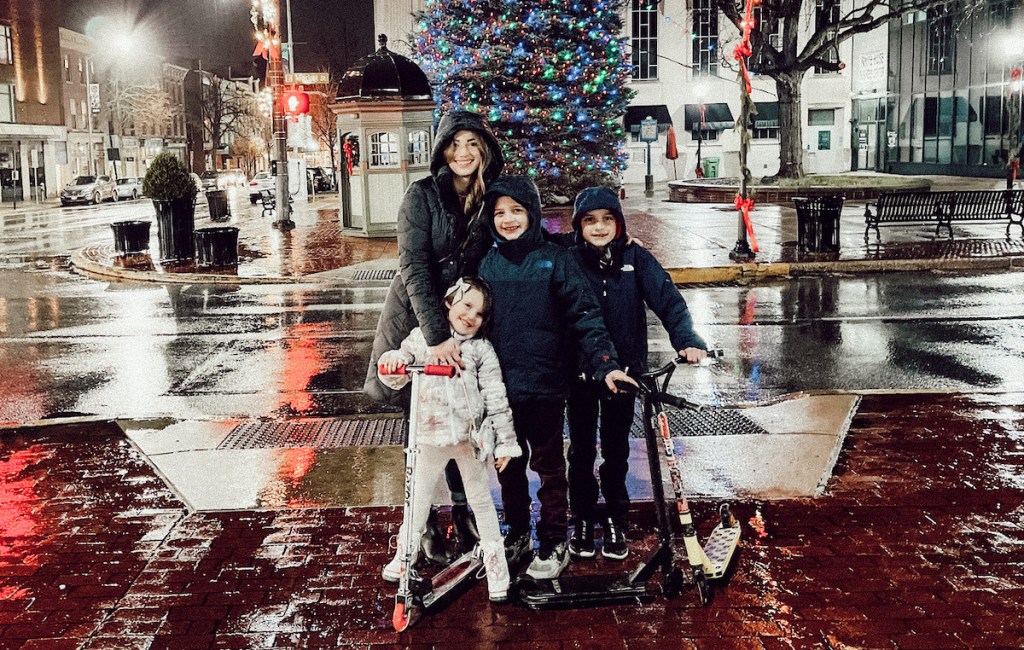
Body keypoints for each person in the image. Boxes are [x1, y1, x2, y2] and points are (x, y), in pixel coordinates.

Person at [477, 175, 635, 580]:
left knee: (549, 469)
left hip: (545, 386)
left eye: (517, 211)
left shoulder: (556, 259)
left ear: (532, 213)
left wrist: (606, 363)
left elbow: (585, 315)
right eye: (499, 213)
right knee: (509, 466)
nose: (508, 220)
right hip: (500, 389)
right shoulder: (487, 262)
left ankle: (553, 540)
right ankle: (516, 533)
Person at [363, 110, 504, 560]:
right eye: (455, 144)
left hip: (462, 320)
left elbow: (523, 232)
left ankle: (463, 510)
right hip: (415, 319)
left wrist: (589, 242)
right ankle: (421, 521)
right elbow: (415, 269)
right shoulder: (420, 196)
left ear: (484, 150)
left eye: (473, 144)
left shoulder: (488, 197)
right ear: (443, 149)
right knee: (420, 421)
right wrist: (437, 335)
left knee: (463, 412)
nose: (463, 153)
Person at [565, 186, 708, 561]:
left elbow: (668, 299)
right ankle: (581, 516)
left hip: (626, 372)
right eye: (590, 220)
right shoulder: (567, 258)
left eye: (607, 219)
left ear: (619, 222)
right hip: (580, 373)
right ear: (579, 225)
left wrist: (687, 338)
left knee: (616, 449)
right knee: (580, 451)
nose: (599, 227)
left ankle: (615, 516)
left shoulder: (635, 257)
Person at [377, 277, 519, 602]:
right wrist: (393, 365)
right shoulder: (423, 339)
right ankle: (406, 555)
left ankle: (496, 563)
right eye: (466, 305)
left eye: (480, 313)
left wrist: (505, 441)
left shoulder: (482, 350)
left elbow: (496, 397)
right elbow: (398, 372)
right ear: (449, 303)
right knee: (417, 500)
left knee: (481, 500)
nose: (470, 316)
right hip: (429, 435)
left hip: (469, 441)